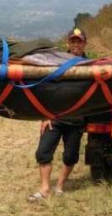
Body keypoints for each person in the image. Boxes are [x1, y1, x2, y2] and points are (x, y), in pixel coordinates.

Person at [28, 28, 88, 201]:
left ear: (85, 43)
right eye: (73, 41)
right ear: (68, 43)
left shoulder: (91, 65)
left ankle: (60, 185)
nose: (76, 45)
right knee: (43, 152)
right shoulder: (57, 62)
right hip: (55, 117)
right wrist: (44, 116)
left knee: (71, 156)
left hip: (77, 119)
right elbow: (46, 90)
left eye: (79, 41)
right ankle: (45, 188)